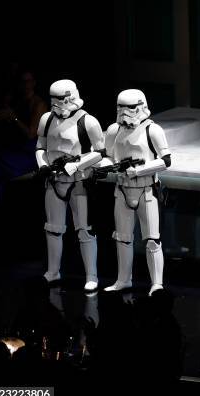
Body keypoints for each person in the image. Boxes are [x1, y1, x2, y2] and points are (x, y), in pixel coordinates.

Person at [35, 79, 105, 291]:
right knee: (53, 229)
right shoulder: (47, 119)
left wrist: (76, 166)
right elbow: (40, 146)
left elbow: (100, 153)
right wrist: (43, 165)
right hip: (55, 180)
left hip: (79, 181)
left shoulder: (88, 121)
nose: (59, 106)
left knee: (84, 230)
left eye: (63, 101)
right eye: (55, 101)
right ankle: (53, 271)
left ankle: (91, 275)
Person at [102, 89, 171, 296]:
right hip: (122, 189)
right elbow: (107, 156)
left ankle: (157, 283)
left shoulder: (152, 130)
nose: (124, 113)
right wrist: (105, 167)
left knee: (152, 239)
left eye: (130, 108)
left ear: (140, 106)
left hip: (146, 189)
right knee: (122, 238)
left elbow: (166, 160)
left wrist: (139, 170)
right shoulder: (114, 130)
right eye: (120, 108)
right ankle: (124, 279)